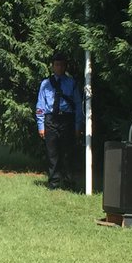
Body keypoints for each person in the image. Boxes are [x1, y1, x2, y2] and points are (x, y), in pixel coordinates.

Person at [35, 51, 84, 190]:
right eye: (57, 65)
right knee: (52, 153)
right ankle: (54, 182)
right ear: (52, 66)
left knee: (68, 153)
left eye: (62, 65)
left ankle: (69, 182)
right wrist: (41, 125)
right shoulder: (45, 84)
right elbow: (40, 105)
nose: (59, 68)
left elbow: (78, 104)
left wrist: (77, 126)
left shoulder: (71, 83)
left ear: (65, 66)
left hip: (67, 119)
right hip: (51, 119)